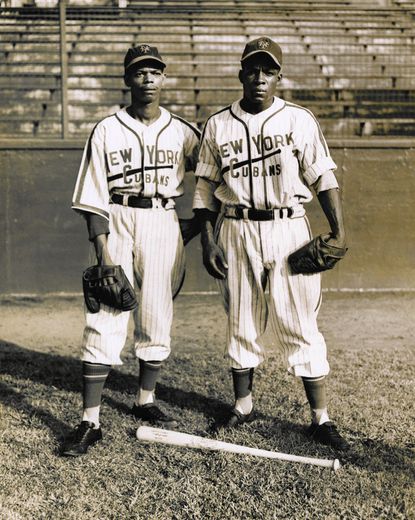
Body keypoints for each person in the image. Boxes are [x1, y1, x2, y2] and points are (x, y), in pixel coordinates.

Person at [193, 37, 349, 450]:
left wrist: (339, 230)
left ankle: (320, 418)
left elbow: (323, 178)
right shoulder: (218, 124)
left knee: (300, 322)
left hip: (288, 228)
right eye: (252, 69)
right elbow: (205, 187)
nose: (260, 78)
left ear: (279, 76)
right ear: (241, 73)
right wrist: (208, 240)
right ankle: (243, 406)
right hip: (238, 227)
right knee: (241, 321)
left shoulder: (299, 120)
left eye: (268, 70)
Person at [61, 44, 200, 456]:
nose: (148, 79)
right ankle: (91, 420)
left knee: (157, 312)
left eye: (155, 72)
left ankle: (145, 400)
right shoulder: (106, 129)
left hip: (162, 218)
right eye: (140, 72)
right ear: (128, 79)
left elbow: (214, 175)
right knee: (106, 313)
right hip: (118, 216)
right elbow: (93, 196)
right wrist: (104, 254)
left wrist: (192, 226)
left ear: (163, 78)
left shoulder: (183, 131)